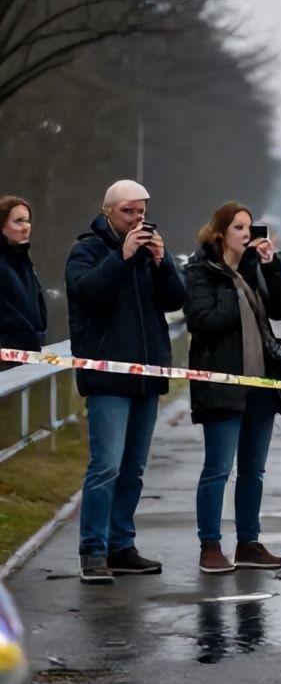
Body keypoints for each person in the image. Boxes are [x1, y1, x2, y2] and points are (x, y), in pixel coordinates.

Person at [65, 179, 187, 584]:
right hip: (106, 376)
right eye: (129, 212)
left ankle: (122, 544)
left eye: (142, 213)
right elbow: (88, 294)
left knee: (133, 469)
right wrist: (122, 255)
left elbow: (175, 299)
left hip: (146, 374)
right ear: (109, 212)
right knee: (106, 467)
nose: (138, 219)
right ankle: (93, 550)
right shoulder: (86, 250)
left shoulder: (148, 252)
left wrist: (162, 261)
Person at [183, 203, 281, 574]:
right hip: (222, 382)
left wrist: (269, 266)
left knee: (254, 470)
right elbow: (205, 322)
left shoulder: (253, 269)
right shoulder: (202, 272)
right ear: (220, 234)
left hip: (260, 385)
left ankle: (248, 542)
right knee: (218, 468)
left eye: (250, 227)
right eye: (239, 227)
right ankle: (210, 546)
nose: (247, 234)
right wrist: (238, 283)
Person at [0, 196, 47, 370]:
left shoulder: (23, 262)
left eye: (27, 221)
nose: (25, 227)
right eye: (18, 221)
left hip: (25, 360)